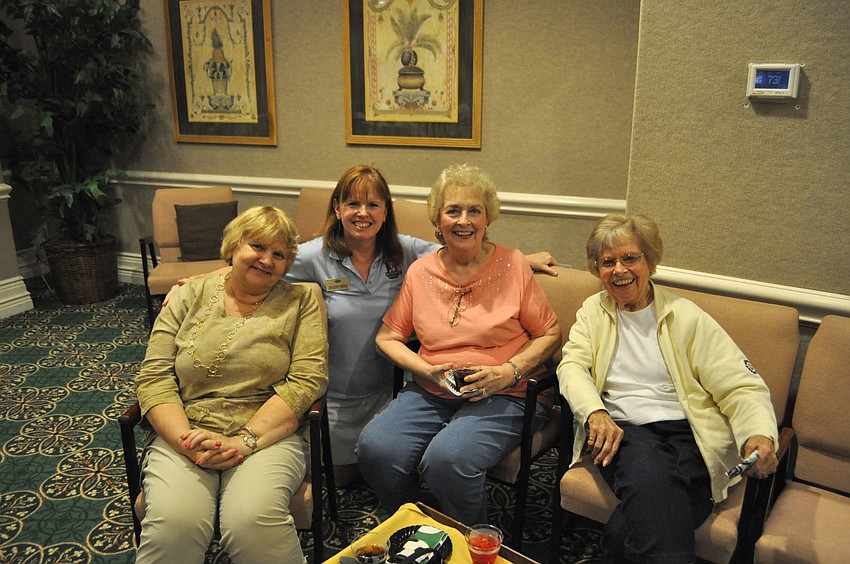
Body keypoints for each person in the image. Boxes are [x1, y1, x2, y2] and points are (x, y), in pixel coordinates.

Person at [162, 165, 560, 485]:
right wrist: (201, 281)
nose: (363, 213)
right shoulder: (314, 255)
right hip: (336, 391)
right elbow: (258, 264)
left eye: (374, 204)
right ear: (337, 208)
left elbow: (465, 246)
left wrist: (520, 258)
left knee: (429, 461)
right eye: (352, 203)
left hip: (388, 388)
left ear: (387, 211)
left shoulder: (405, 251)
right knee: (346, 476)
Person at [557, 213, 779, 563]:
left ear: (650, 260)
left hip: (690, 434)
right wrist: (595, 412)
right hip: (623, 432)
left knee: (625, 530)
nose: (619, 270)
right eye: (608, 262)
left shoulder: (686, 316)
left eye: (630, 257)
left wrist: (759, 434)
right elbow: (571, 366)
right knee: (648, 471)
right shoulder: (592, 312)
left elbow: (740, 386)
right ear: (596, 269)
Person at [356, 164, 562, 525]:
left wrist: (508, 371)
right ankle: (418, 524)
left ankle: (472, 544)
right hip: (433, 388)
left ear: (487, 219)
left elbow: (549, 333)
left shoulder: (513, 265)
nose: (463, 220)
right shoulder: (420, 272)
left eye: (474, 210)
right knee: (376, 448)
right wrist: (424, 370)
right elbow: (387, 337)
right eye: (453, 210)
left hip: (505, 393)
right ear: (438, 219)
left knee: (447, 460)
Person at [135, 206, 327, 564]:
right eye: (258, 246)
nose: (267, 260)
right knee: (175, 522)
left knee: (251, 520)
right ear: (234, 245)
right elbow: (154, 376)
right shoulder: (187, 295)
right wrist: (186, 441)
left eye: (279, 254)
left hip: (268, 435)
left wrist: (243, 441)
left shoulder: (300, 302)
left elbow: (307, 380)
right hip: (186, 430)